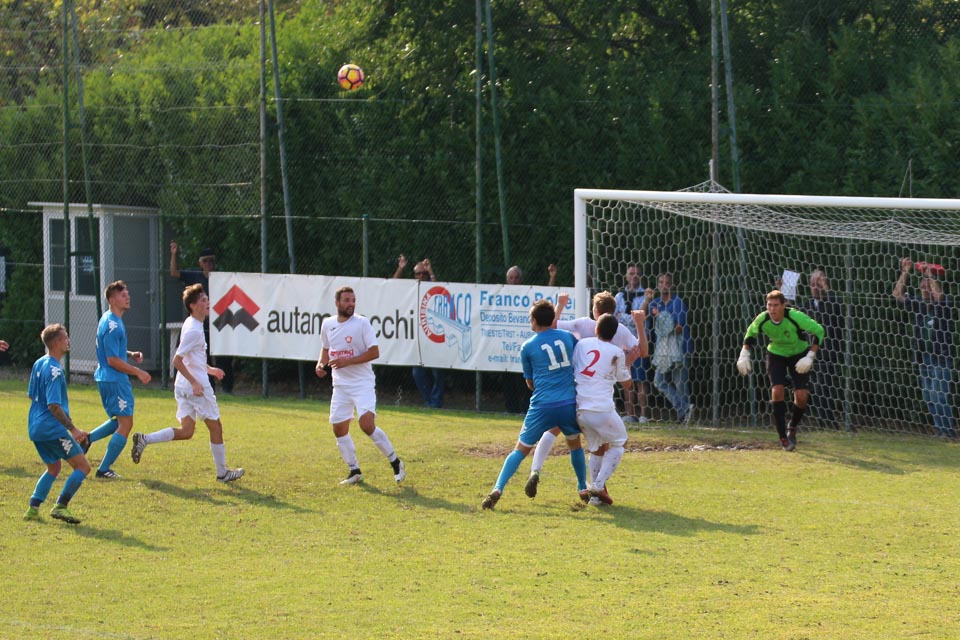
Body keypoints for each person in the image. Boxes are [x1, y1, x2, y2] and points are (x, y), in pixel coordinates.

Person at [522, 291, 646, 498]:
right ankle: (594, 486)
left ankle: (537, 470)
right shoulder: (619, 331)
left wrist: (560, 305)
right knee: (608, 444)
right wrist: (640, 325)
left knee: (555, 430)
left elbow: (551, 326)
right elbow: (642, 352)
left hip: (574, 391)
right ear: (613, 313)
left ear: (594, 312)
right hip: (600, 398)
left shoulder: (582, 331)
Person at [130, 284, 245, 482]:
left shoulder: (192, 323)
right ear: (192, 305)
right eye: (203, 300)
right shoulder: (194, 330)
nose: (207, 303)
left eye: (207, 299)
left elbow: (192, 359)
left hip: (183, 386)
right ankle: (223, 473)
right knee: (216, 427)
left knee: (186, 431)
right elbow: (177, 360)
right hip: (195, 387)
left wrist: (210, 370)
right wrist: (195, 382)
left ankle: (145, 439)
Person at [481, 299, 582, 509]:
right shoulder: (567, 337)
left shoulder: (528, 346)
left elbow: (530, 383)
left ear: (534, 321)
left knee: (520, 450)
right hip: (567, 402)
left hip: (542, 405)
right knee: (574, 444)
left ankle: (497, 488)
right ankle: (582, 487)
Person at [315, 286, 406, 485]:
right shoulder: (328, 324)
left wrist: (347, 361)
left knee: (366, 424)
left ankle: (396, 462)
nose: (351, 304)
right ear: (337, 303)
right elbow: (325, 349)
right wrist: (320, 365)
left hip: (362, 383)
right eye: (347, 300)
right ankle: (354, 471)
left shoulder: (362, 323)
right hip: (340, 385)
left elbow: (374, 352)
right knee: (339, 429)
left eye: (353, 300)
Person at [737, 290, 824, 451]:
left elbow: (819, 330)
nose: (772, 309)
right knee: (777, 390)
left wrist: (810, 356)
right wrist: (744, 354)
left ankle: (793, 427)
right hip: (776, 354)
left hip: (799, 354)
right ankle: (783, 437)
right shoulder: (763, 319)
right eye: (769, 305)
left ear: (784, 305)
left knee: (801, 396)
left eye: (776, 305)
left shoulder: (795, 317)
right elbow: (750, 334)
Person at [84, 280, 152, 478]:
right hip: (114, 379)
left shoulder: (109, 318)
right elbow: (112, 360)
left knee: (119, 421)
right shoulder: (113, 325)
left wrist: (129, 354)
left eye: (127, 294)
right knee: (126, 423)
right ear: (112, 300)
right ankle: (103, 469)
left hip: (107, 378)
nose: (128, 297)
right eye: (123, 295)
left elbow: (112, 351)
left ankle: (87, 439)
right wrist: (138, 372)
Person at [23, 324, 91, 524]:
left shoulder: (39, 363)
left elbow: (31, 395)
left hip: (35, 428)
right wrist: (73, 429)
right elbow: (53, 405)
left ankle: (33, 508)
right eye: (66, 337)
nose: (68, 341)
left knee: (53, 468)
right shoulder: (55, 370)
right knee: (83, 466)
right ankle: (61, 506)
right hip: (52, 429)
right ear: (57, 342)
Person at [573, 314, 633, 507]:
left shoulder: (582, 345)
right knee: (620, 441)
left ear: (596, 329)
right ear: (614, 334)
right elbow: (627, 384)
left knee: (597, 448)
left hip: (580, 408)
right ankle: (598, 486)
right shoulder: (616, 352)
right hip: (601, 409)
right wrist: (628, 362)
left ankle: (595, 498)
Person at [893, 258, 956, 438]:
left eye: (927, 287)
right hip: (924, 357)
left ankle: (949, 432)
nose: (924, 291)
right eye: (922, 288)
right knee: (928, 396)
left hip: (941, 357)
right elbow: (897, 294)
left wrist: (929, 274)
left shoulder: (943, 305)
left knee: (939, 394)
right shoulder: (919, 305)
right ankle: (940, 430)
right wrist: (905, 271)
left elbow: (939, 296)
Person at [170, 241, 233, 393]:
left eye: (211, 261)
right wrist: (173, 254)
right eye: (205, 261)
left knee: (222, 356)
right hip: (200, 324)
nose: (209, 264)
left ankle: (227, 388)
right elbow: (174, 273)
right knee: (200, 355)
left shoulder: (221, 278)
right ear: (200, 263)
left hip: (218, 324)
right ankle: (203, 384)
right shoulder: (195, 276)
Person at [395, 255, 445, 408]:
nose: (421, 276)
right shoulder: (411, 288)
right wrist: (401, 268)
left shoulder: (431, 286)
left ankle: (436, 402)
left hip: (434, 335)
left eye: (424, 273)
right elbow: (392, 286)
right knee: (417, 373)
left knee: (438, 371)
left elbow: (439, 292)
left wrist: (431, 271)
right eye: (418, 273)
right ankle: (429, 401)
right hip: (417, 338)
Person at [649, 272, 693, 423]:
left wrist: (661, 316)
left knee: (680, 383)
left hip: (680, 348)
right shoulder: (655, 303)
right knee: (659, 381)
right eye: (661, 282)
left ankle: (685, 416)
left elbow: (678, 328)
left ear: (672, 285)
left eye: (667, 283)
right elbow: (649, 318)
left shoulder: (678, 303)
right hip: (662, 351)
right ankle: (684, 409)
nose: (664, 286)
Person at [805, 268, 843, 430]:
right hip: (810, 351)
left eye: (818, 283)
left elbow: (836, 308)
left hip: (828, 351)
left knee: (825, 385)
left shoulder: (830, 302)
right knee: (816, 386)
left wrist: (826, 287)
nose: (815, 287)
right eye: (813, 283)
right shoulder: (807, 305)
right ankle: (824, 421)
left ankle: (828, 421)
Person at [614, 264, 652, 424]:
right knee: (626, 379)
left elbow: (639, 317)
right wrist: (631, 319)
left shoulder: (646, 296)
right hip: (622, 345)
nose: (634, 276)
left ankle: (643, 415)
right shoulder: (619, 297)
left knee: (640, 380)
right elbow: (615, 318)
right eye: (631, 273)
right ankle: (630, 414)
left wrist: (623, 317)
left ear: (641, 276)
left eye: (637, 273)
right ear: (626, 276)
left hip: (638, 343)